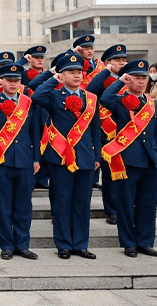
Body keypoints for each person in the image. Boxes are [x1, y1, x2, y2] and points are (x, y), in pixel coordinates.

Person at [32, 53, 100, 260]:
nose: (77, 76)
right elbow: (36, 96)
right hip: (60, 157)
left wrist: (96, 154)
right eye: (72, 72)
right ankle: (63, 244)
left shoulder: (90, 98)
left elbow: (95, 129)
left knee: (82, 203)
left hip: (86, 157)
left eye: (79, 72)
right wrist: (53, 79)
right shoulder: (53, 95)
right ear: (63, 75)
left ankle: (80, 244)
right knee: (62, 202)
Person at [0, 64, 41, 260]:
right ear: (2, 81)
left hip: (25, 160)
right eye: (8, 80)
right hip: (1, 161)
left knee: (23, 206)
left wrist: (36, 157)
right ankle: (7, 245)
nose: (13, 83)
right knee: (3, 206)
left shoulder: (27, 102)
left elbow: (35, 132)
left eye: (16, 80)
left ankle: (23, 244)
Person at [100, 60, 157, 257]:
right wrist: (120, 81)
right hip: (127, 161)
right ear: (129, 79)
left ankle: (145, 241)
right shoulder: (119, 100)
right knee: (126, 205)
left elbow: (155, 135)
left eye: (144, 78)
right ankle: (129, 243)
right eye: (136, 78)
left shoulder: (151, 104)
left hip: (150, 161)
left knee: (148, 204)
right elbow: (104, 99)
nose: (141, 82)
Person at [87, 44, 129, 225]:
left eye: (123, 59)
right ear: (107, 62)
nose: (122, 62)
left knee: (124, 173)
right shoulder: (102, 79)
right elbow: (91, 89)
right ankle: (111, 210)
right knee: (110, 175)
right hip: (105, 133)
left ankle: (124, 207)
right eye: (117, 60)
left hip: (126, 133)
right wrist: (106, 71)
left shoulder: (128, 79)